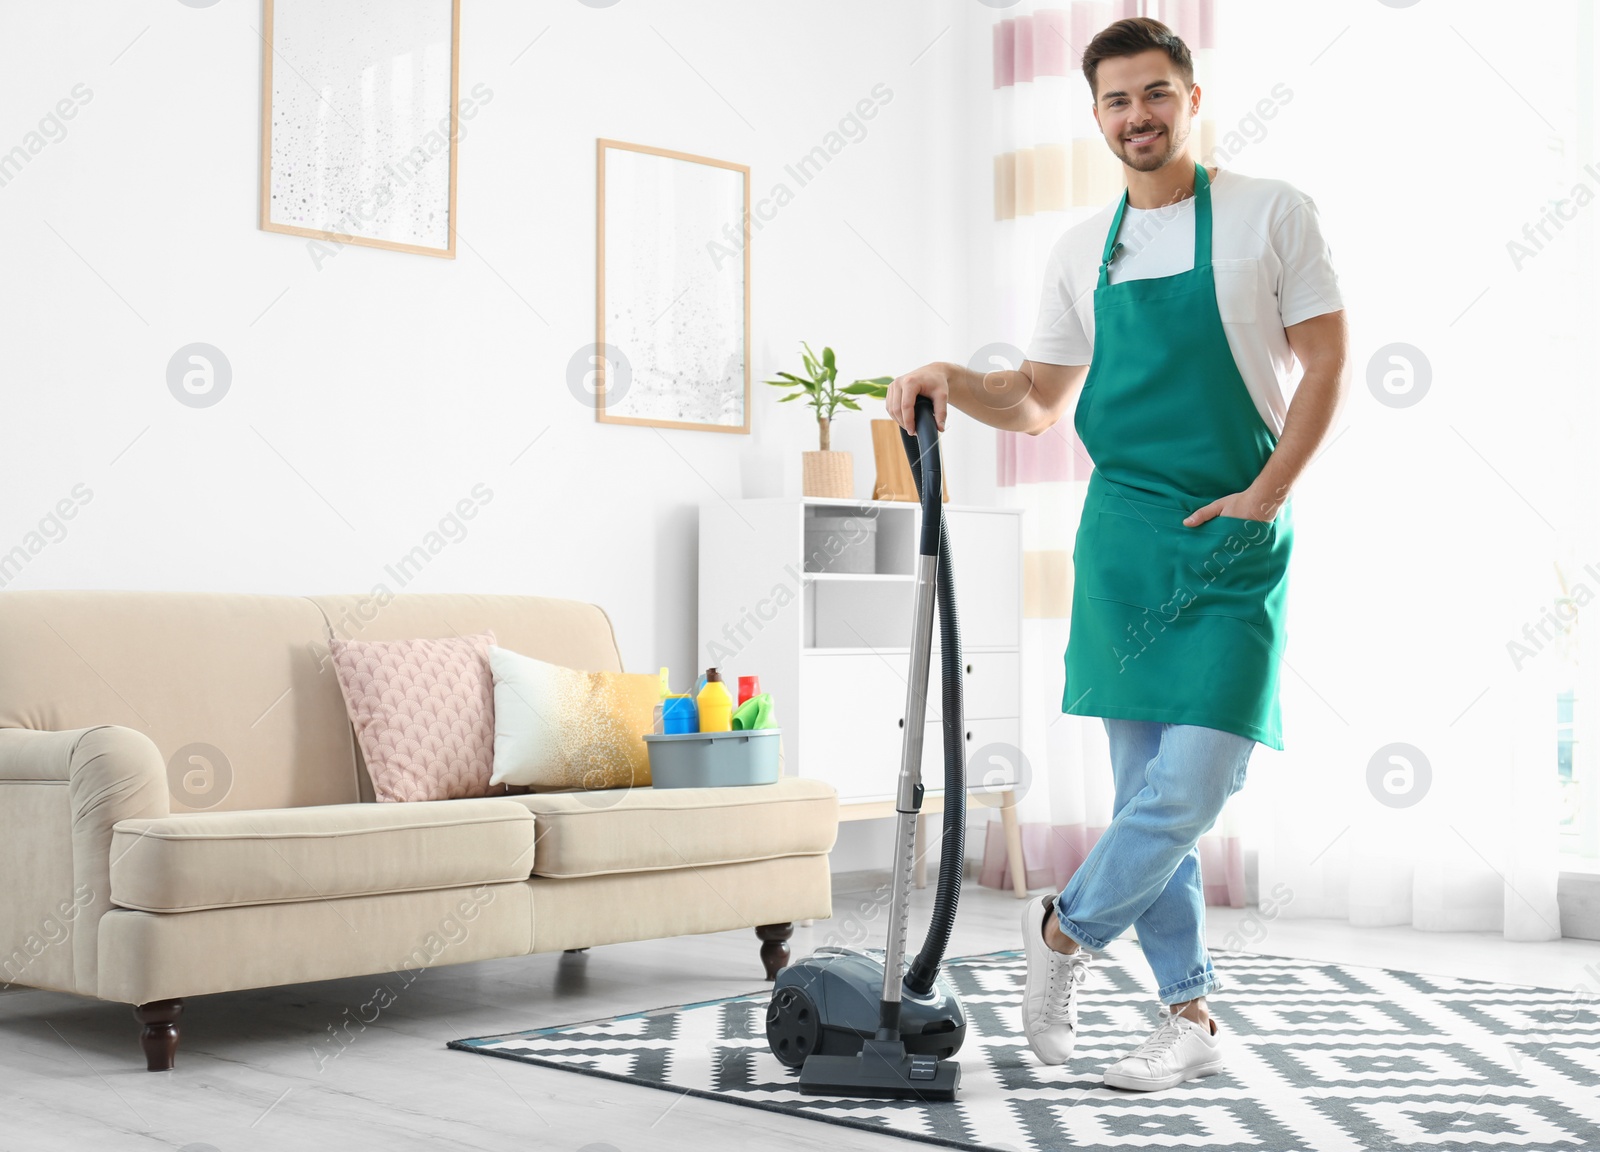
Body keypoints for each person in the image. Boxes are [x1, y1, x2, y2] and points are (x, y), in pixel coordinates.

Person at [885, 16, 1347, 1091]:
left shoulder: (1270, 214)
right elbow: (1039, 401)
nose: (1135, 115)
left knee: (1195, 780)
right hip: (1126, 543)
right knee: (1149, 793)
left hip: (1234, 531)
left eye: (1154, 93)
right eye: (1113, 101)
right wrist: (955, 376)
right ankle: (1188, 1016)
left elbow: (1325, 365)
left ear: (1192, 97)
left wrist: (1264, 496)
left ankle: (1062, 934)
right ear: (1094, 115)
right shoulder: (1077, 250)